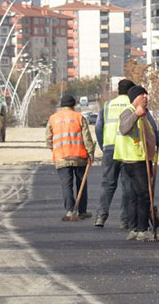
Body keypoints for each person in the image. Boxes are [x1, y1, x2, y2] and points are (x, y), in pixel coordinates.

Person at [116, 85, 159, 241]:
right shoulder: (129, 112)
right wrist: (137, 114)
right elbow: (124, 128)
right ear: (135, 97)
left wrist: (157, 140)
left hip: (143, 158)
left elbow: (150, 132)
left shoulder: (145, 114)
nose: (146, 98)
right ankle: (141, 229)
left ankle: (135, 228)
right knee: (143, 195)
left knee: (137, 195)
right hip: (135, 159)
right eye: (143, 96)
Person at [47, 93, 97, 221]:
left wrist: (54, 149)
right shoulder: (78, 117)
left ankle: (69, 210)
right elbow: (86, 137)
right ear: (73, 105)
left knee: (66, 185)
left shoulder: (53, 118)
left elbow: (48, 138)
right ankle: (81, 211)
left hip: (61, 157)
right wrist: (91, 152)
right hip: (79, 156)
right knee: (81, 184)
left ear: (61, 106)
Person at [95, 79, 135, 228]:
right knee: (127, 185)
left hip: (110, 148)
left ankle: (101, 216)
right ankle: (124, 220)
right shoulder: (132, 106)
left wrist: (103, 145)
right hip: (127, 149)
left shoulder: (107, 106)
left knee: (107, 184)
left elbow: (99, 128)